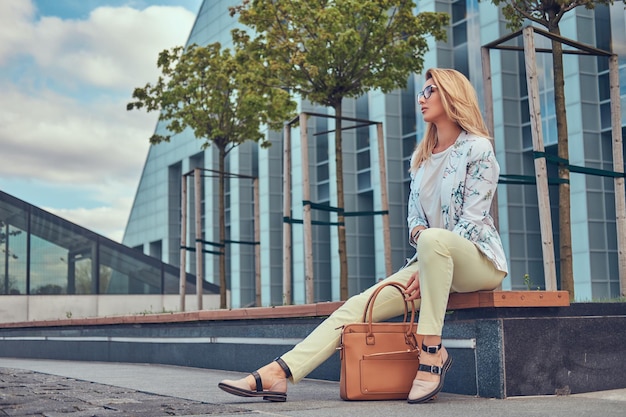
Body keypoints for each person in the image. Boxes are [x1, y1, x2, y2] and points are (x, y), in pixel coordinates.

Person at [218, 68, 508, 404]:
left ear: (452, 94)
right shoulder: (421, 159)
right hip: (431, 262)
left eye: (430, 91)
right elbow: (415, 219)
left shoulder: (478, 149)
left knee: (433, 241)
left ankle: (431, 354)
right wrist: (425, 254)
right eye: (421, 92)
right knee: (356, 307)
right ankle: (277, 373)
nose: (421, 98)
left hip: (479, 262)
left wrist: (428, 259)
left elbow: (472, 220)